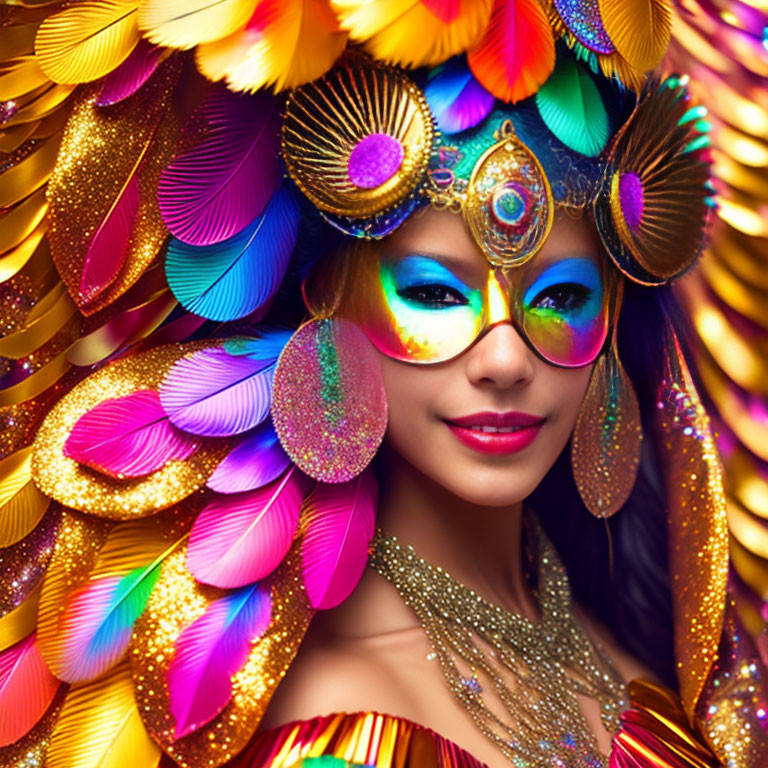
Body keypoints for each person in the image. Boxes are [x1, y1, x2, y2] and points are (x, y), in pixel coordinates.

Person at [1, 2, 767, 767]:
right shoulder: (336, 721)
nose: (504, 361)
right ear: (328, 305)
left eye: (560, 298)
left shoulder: (642, 661)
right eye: (436, 295)